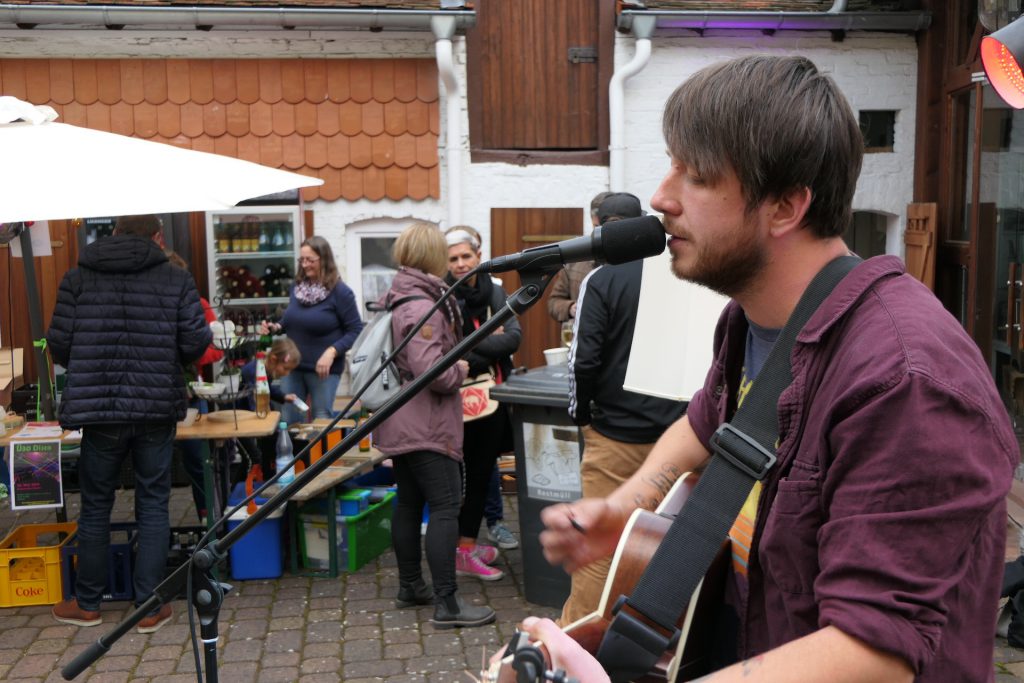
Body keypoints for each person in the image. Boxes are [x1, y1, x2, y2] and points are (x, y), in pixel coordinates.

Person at [533, 55, 1017, 682]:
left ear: (786, 207)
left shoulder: (908, 383)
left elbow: (876, 652)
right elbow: (707, 424)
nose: (660, 196)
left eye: (696, 175)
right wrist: (627, 505)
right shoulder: (754, 320)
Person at [46, 214, 211, 634]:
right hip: (155, 406)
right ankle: (150, 606)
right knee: (154, 501)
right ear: (157, 237)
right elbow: (196, 342)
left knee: (97, 502)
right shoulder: (175, 279)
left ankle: (87, 604)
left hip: (100, 411)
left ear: (114, 233)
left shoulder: (78, 277)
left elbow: (59, 343)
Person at [558, 192, 687, 625]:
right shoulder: (689, 275)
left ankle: (578, 644)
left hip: (616, 437)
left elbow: (583, 360)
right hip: (687, 440)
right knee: (672, 548)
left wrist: (582, 417)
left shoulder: (603, 278)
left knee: (598, 551)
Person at [373, 221, 496, 628]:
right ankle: (449, 604)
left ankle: (411, 586)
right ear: (431, 257)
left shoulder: (401, 296)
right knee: (444, 507)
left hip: (401, 419)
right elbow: (433, 373)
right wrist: (459, 367)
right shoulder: (422, 305)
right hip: (424, 422)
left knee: (408, 502)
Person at [445, 225, 522, 581]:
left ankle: (466, 546)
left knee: (480, 474)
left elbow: (514, 340)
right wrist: (489, 339)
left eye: (466, 256)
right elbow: (448, 353)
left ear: (479, 256)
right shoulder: (444, 297)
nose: (461, 264)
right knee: (458, 477)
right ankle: (460, 547)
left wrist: (472, 348)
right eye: (454, 259)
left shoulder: (496, 292)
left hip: (492, 399)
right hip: (453, 400)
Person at [263, 236, 363, 423]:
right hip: (292, 366)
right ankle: (293, 454)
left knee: (321, 421)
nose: (305, 264)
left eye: (310, 260)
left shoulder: (341, 292)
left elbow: (355, 329)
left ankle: (321, 455)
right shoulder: (297, 287)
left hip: (323, 370)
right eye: (302, 259)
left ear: (324, 260)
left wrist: (332, 352)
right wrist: (275, 327)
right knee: (290, 419)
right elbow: (291, 318)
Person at [165, 250, 223, 523]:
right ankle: (158, 525)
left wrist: (191, 356)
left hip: (191, 394)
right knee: (158, 466)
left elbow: (217, 347)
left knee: (198, 461)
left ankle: (206, 516)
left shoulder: (198, 304)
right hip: (158, 397)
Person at [546, 191, 613, 323]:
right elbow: (554, 301)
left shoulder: (630, 261)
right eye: (596, 227)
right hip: (582, 339)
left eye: (605, 226)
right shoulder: (576, 259)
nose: (600, 232)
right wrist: (571, 308)